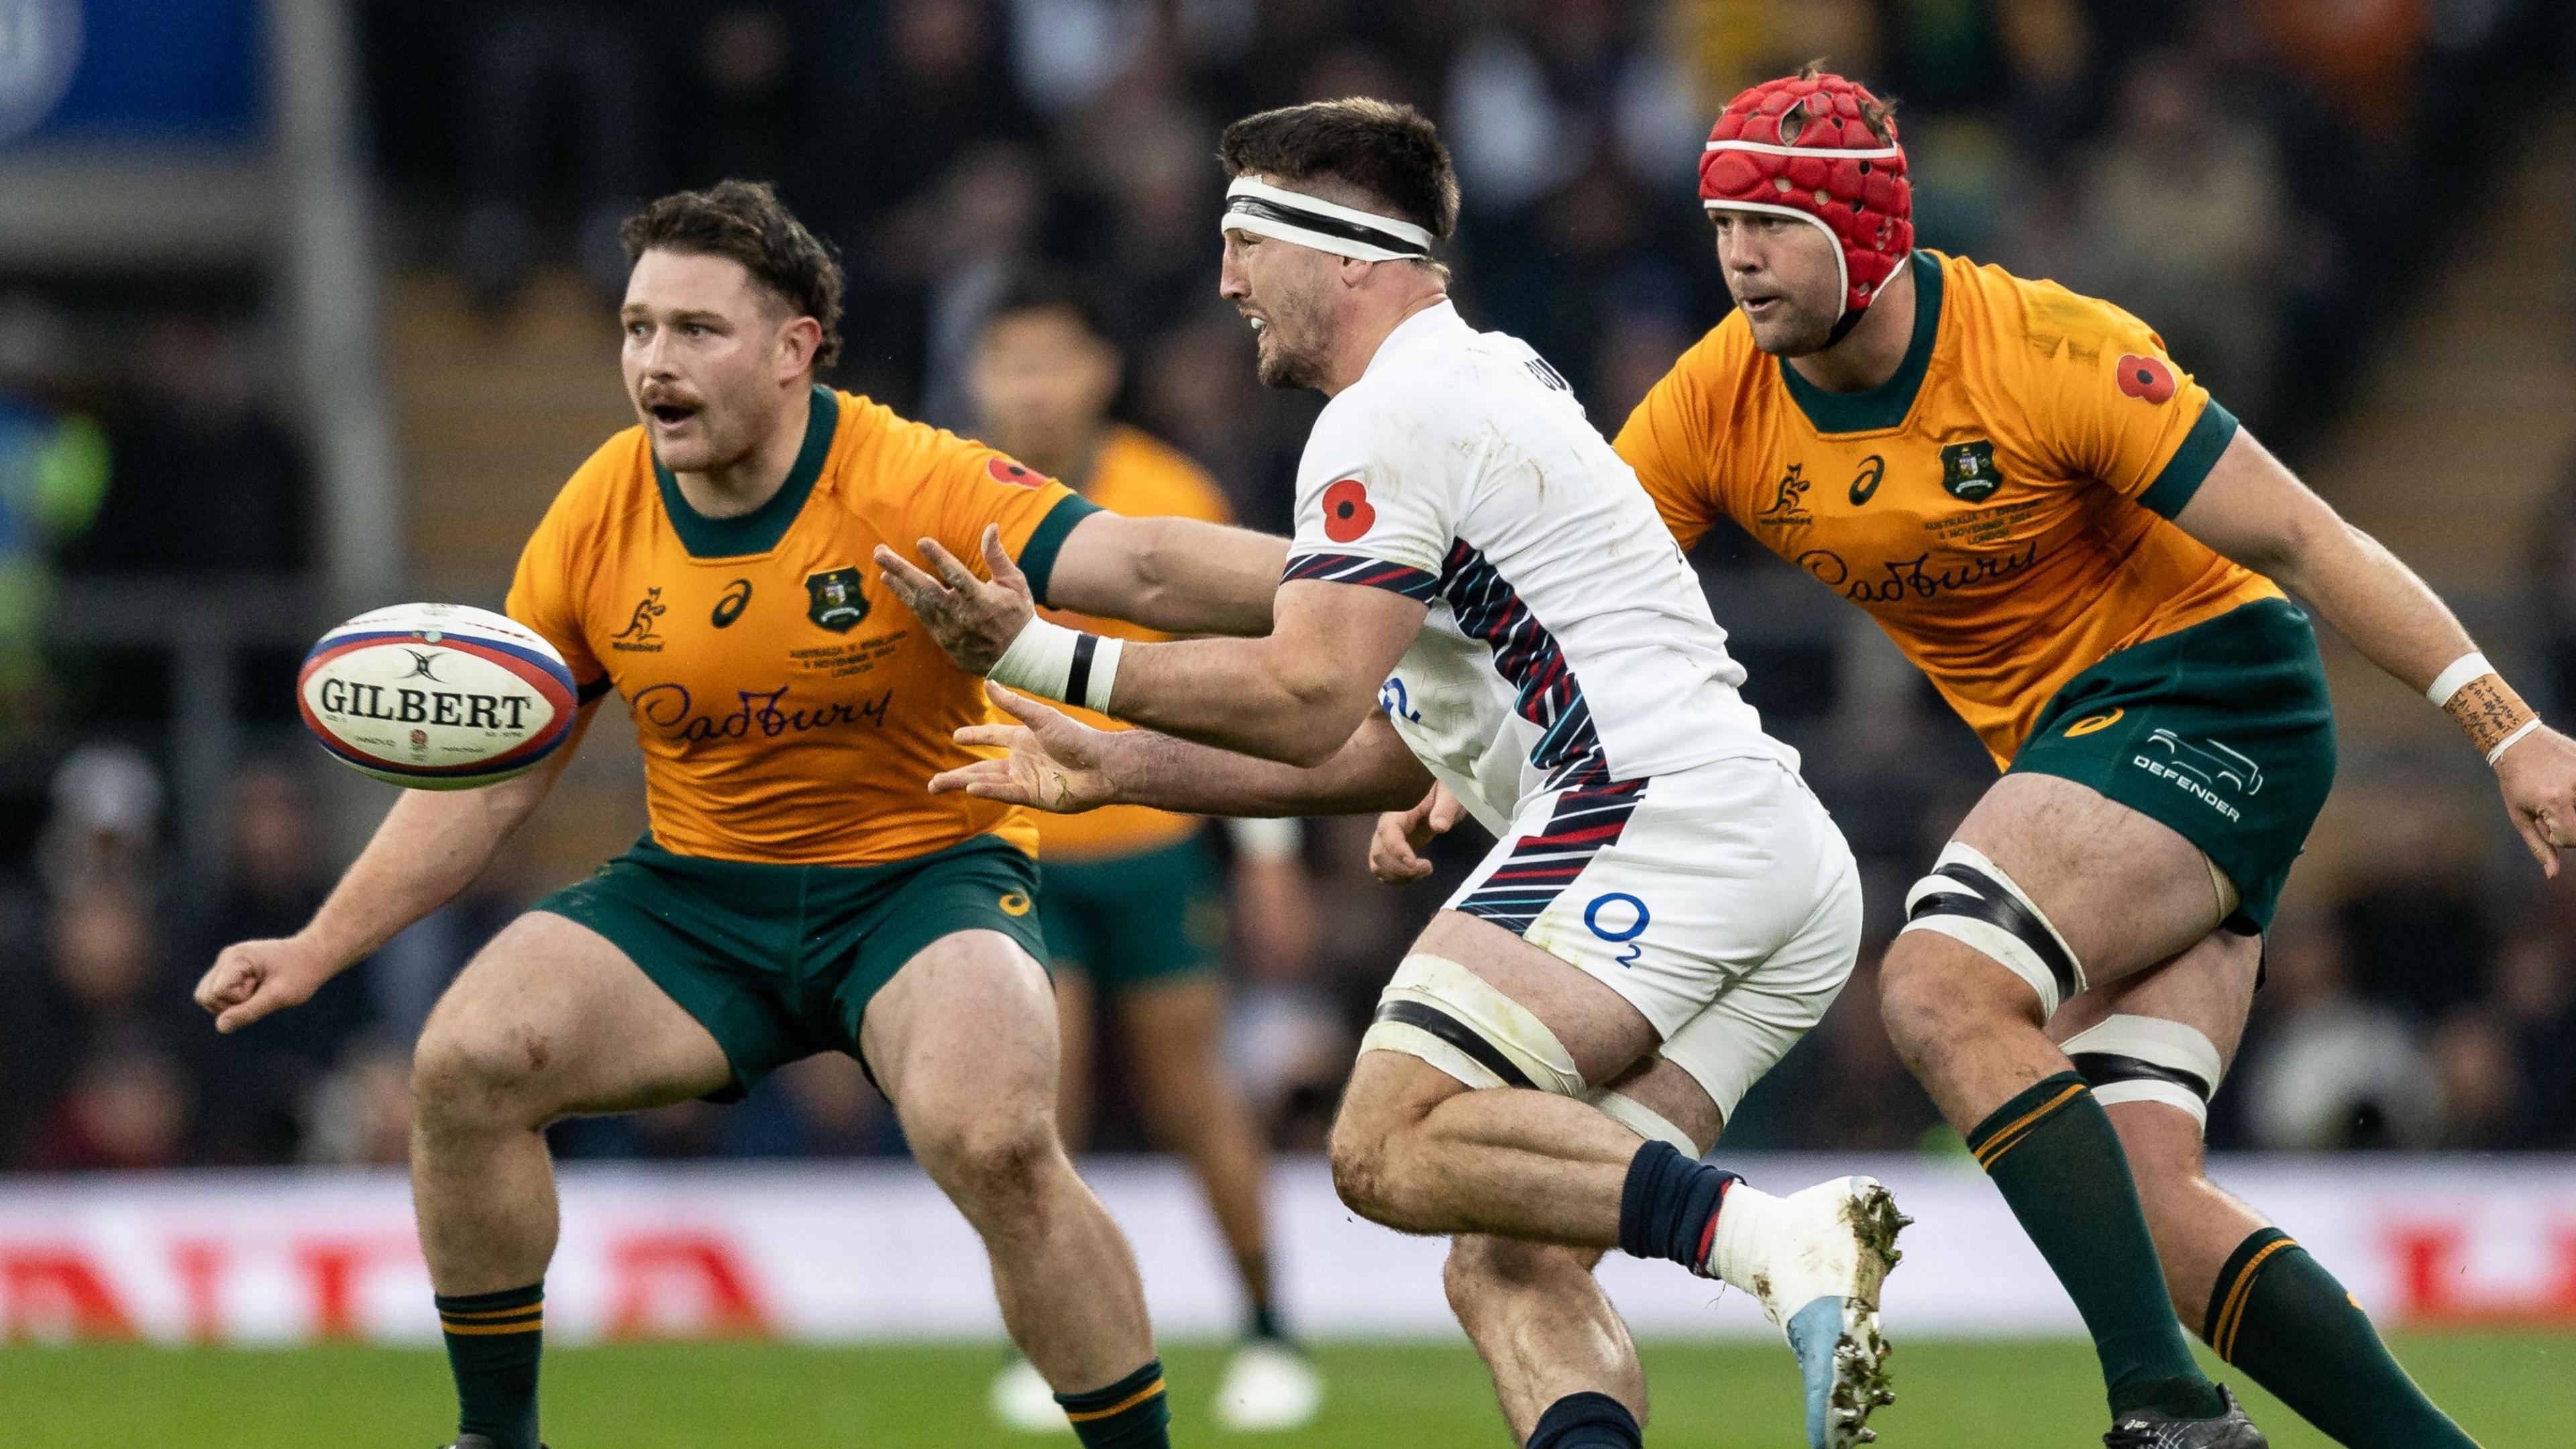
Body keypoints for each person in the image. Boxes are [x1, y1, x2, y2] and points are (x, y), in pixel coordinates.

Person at [1457, 65, 2566, 1449]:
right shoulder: (1717, 405)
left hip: (2215, 698)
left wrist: (2503, 726)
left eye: (1775, 222)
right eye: (1722, 219)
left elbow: (2302, 536)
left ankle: (2168, 1412)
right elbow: (1573, 607)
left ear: (1865, 231)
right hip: (2080, 764)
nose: (1738, 256)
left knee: (1937, 984)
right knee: (2153, 1210)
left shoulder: (2048, 350)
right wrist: (1457, 768)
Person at [193, 179, 1283, 1449]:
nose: (655, 361)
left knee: (995, 1141)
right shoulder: (601, 506)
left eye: (695, 330)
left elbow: (1144, 565)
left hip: (921, 880)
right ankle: (497, 1439)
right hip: (700, 896)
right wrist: (319, 947)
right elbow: (502, 768)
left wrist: (1384, 581)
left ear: (794, 350)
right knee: (463, 1066)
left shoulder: (908, 478)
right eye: (637, 328)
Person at [881, 99, 1907, 1449]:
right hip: (1770, 856)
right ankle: (1757, 1248)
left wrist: (1043, 657)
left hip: (1647, 819)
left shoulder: (1385, 419)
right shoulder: (1488, 379)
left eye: (1247, 239)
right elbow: (1364, 733)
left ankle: (1786, 1235)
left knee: (1386, 1140)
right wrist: (1123, 758)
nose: (1228, 279)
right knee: (1508, 1251)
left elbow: (1308, 698)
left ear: (1346, 252)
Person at [966, 270, 1326, 1432]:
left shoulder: (1168, 496)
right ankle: (1056, 1344)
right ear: (980, 381)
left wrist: (1267, 860)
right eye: (1007, 364)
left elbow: (1249, 688)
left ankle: (1271, 1330)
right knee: (1034, 1108)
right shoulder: (952, 494)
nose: (1028, 387)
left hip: (1154, 843)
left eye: (1048, 361)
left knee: (1190, 1097)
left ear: (1096, 372)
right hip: (1016, 850)